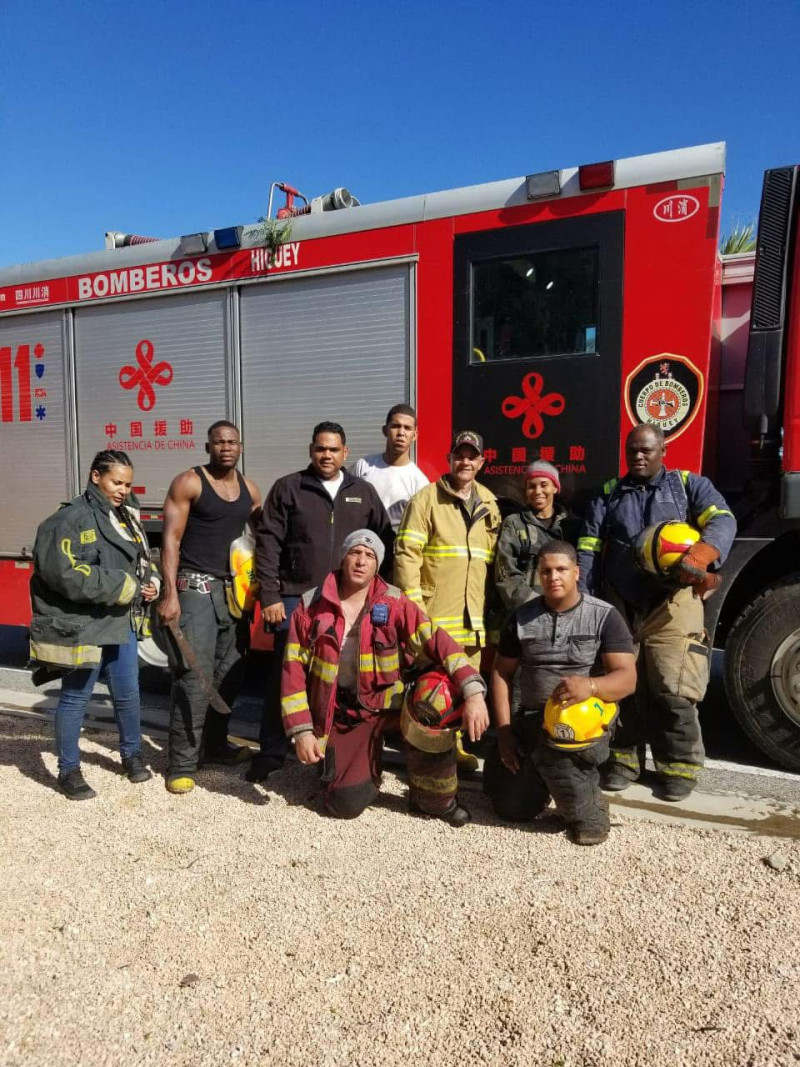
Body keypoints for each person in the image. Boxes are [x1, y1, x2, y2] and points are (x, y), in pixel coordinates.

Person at [281, 530, 490, 822]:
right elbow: (292, 674)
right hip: (343, 715)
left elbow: (438, 641)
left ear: (377, 565)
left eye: (370, 556)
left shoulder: (393, 602)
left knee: (438, 699)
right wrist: (302, 731)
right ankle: (360, 766)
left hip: (389, 708)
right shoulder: (310, 606)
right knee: (344, 804)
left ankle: (435, 800)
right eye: (355, 552)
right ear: (343, 557)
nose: (361, 561)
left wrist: (473, 691)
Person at [576, 424, 736, 800]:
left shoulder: (688, 486)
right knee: (622, 687)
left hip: (673, 606)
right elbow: (587, 547)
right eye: (632, 450)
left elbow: (723, 519)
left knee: (673, 688)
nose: (638, 456)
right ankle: (623, 761)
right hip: (620, 606)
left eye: (646, 450)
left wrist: (701, 557)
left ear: (663, 449)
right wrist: (585, 598)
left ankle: (678, 765)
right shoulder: (609, 494)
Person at [249, 422, 393, 782]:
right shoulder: (289, 488)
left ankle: (328, 752)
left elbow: (383, 544)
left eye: (333, 449)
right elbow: (268, 544)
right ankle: (271, 751)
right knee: (287, 674)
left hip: (347, 602)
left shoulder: (364, 492)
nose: (326, 455)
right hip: (296, 599)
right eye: (320, 449)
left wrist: (381, 594)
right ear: (311, 450)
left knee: (338, 677)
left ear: (346, 453)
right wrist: (270, 594)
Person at [485, 541, 636, 845]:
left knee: (586, 828)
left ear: (576, 572)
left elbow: (627, 679)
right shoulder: (521, 618)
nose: (553, 577)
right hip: (533, 717)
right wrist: (503, 733)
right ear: (538, 576)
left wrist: (591, 686)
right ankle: (542, 774)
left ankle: (590, 810)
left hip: (580, 723)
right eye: (546, 571)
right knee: (509, 807)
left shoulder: (604, 616)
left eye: (561, 570)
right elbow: (501, 673)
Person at [30, 451, 160, 799]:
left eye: (128, 483)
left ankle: (132, 756)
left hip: (122, 625)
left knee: (128, 694)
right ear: (95, 476)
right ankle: (68, 770)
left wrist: (152, 583)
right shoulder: (69, 519)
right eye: (116, 482)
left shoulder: (127, 516)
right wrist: (124, 587)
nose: (122, 489)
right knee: (75, 697)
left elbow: (143, 560)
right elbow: (61, 573)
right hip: (84, 625)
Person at [159, 421, 262, 795]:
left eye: (232, 441)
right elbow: (170, 539)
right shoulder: (189, 482)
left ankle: (216, 746)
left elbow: (261, 539)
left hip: (234, 596)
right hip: (195, 589)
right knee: (192, 677)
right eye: (218, 442)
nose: (225, 447)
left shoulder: (250, 490)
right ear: (208, 446)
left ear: (241, 445)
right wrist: (170, 594)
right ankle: (182, 764)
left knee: (227, 677)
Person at [394, 430, 501, 772]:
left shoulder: (489, 503)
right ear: (449, 459)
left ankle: (451, 747)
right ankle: (426, 753)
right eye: (459, 455)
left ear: (481, 462)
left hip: (473, 620)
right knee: (433, 686)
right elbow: (406, 557)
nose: (465, 461)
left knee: (460, 686)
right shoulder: (425, 500)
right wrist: (416, 614)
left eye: (472, 456)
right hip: (436, 616)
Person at [494, 459, 577, 614]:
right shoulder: (514, 524)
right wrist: (536, 607)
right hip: (528, 614)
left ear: (555, 488)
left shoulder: (571, 526)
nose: (537, 491)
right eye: (531, 486)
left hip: (567, 613)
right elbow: (506, 574)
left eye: (544, 485)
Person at [352, 404, 429, 531]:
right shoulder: (363, 466)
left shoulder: (420, 483)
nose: (401, 433)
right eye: (395, 426)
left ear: (415, 435)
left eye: (407, 428)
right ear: (385, 430)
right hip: (364, 548)